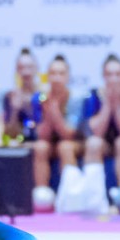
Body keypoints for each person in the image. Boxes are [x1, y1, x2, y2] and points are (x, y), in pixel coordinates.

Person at [82, 53, 120, 204]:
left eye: (118, 74)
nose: (114, 79)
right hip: (104, 143)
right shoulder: (93, 95)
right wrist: (107, 103)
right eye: (109, 74)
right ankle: (93, 199)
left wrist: (117, 104)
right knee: (93, 143)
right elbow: (97, 131)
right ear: (103, 76)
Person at [30, 54, 83, 200]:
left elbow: (69, 134)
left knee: (65, 146)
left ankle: (70, 195)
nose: (57, 78)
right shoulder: (40, 98)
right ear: (47, 76)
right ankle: (42, 194)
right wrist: (48, 109)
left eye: (61, 73)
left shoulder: (75, 98)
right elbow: (42, 135)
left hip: (74, 142)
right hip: (49, 141)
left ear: (68, 77)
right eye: (53, 73)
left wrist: (54, 110)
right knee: (40, 147)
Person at [1, 48, 40, 144]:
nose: (26, 72)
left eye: (29, 67)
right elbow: (9, 134)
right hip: (19, 145)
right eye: (22, 67)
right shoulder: (10, 96)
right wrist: (15, 110)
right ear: (17, 70)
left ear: (36, 68)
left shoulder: (44, 96)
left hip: (40, 146)